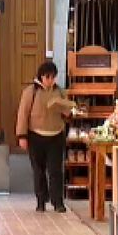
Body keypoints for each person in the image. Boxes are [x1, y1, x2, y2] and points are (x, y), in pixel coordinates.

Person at [16, 59, 76, 213]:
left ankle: (58, 202)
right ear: (41, 76)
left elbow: (68, 113)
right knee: (39, 170)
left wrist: (67, 111)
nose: (50, 80)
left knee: (56, 170)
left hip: (56, 136)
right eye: (47, 77)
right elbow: (23, 114)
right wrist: (22, 136)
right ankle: (41, 201)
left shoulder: (60, 91)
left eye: (53, 77)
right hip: (36, 136)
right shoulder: (31, 92)